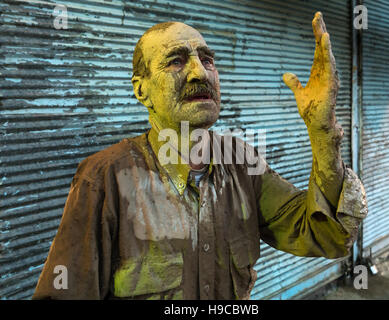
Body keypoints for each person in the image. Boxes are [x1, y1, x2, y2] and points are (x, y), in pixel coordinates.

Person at [33, 12, 367, 300]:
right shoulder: (103, 177)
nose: (200, 73)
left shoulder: (241, 163)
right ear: (141, 90)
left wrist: (323, 132)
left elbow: (328, 235)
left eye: (207, 59)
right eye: (176, 60)